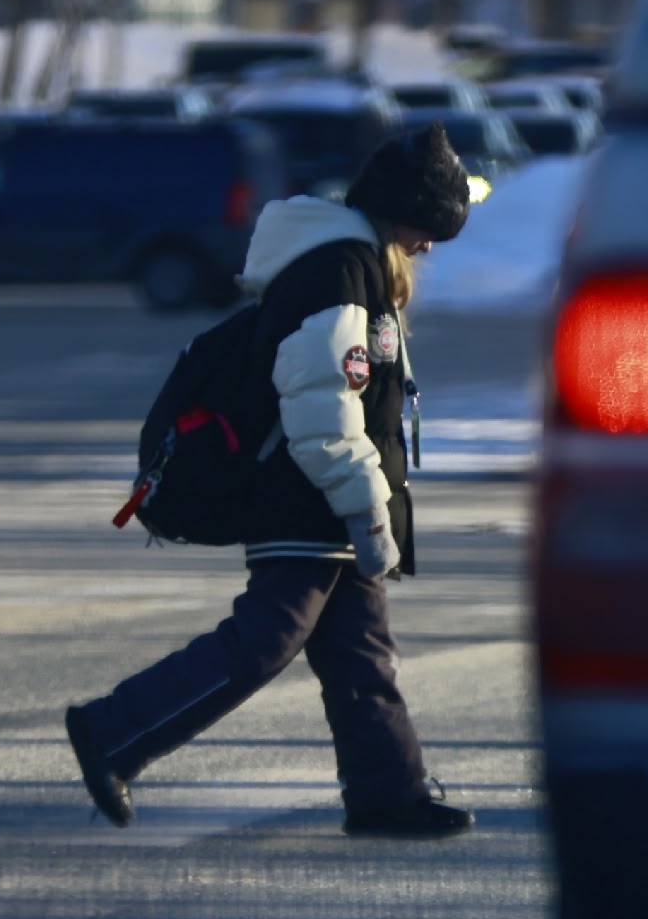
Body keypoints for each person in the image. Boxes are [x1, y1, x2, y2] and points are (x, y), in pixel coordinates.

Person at [65, 123, 477, 840]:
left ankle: (389, 794)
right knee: (265, 639)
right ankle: (111, 731)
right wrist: (367, 513)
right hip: (307, 498)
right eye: (428, 227)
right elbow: (322, 408)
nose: (431, 245)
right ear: (396, 209)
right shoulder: (337, 271)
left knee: (360, 655)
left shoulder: (353, 267)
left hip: (323, 500)